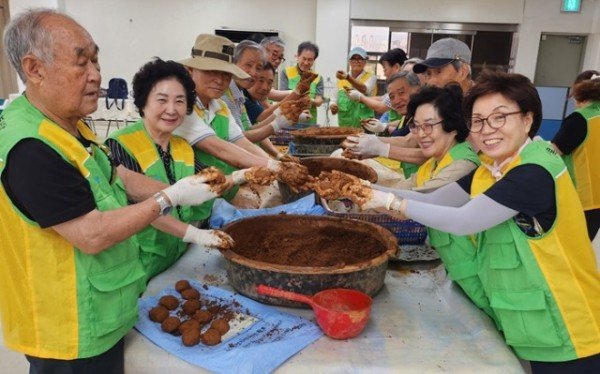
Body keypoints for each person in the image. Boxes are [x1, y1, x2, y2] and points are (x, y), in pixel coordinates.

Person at [0, 9, 229, 373]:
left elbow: (118, 177)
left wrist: (184, 191)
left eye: (96, 59)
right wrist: (168, 199)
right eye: (81, 63)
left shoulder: (69, 127)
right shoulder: (31, 148)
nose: (96, 75)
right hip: (70, 330)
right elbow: (91, 234)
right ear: (34, 69)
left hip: (103, 310)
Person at [362, 71, 600, 372]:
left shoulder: (534, 171)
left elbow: (464, 220)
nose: (487, 129)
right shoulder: (492, 168)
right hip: (535, 322)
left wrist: (393, 203)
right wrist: (364, 190)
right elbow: (437, 200)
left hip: (570, 327)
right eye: (478, 120)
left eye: (500, 117)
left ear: (527, 119)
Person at [106, 58, 233, 283]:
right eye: (162, 100)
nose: (171, 110)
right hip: (139, 263)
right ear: (143, 102)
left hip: (175, 257)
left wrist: (247, 175)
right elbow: (143, 209)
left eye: (180, 101)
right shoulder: (119, 145)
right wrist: (195, 235)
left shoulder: (182, 146)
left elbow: (210, 185)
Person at [174, 34, 284, 183]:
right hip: (188, 199)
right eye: (210, 71)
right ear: (191, 70)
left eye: (226, 74)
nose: (219, 80)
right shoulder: (181, 107)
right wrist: (277, 167)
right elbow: (220, 149)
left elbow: (241, 141)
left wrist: (276, 163)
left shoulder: (221, 106)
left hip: (217, 192)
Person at [345, 71, 425, 179]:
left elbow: (408, 142)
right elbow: (402, 131)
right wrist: (369, 149)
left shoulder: (425, 112)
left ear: (418, 89)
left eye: (401, 93)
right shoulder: (409, 114)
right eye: (392, 97)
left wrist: (375, 143)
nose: (396, 100)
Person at [551, 70, 600, 241]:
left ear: (579, 93)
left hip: (579, 199)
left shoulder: (580, 119)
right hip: (597, 201)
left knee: (567, 249)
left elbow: (553, 152)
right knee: (583, 247)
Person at [349, 48, 408, 115]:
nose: (384, 74)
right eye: (353, 59)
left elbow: (382, 107)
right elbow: (383, 98)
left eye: (385, 69)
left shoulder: (400, 85)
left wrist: (361, 97)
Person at [330, 47, 378, 127]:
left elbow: (364, 89)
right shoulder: (340, 80)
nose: (356, 62)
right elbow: (333, 99)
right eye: (353, 59)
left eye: (360, 59)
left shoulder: (371, 77)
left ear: (365, 61)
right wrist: (333, 106)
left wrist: (347, 77)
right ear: (349, 61)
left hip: (365, 127)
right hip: (345, 126)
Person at [280, 41, 324, 124]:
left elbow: (319, 100)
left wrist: (310, 101)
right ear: (298, 56)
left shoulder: (318, 77)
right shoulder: (286, 72)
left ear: (314, 60)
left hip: (309, 121)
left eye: (310, 60)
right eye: (304, 58)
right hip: (290, 120)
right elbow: (283, 98)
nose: (306, 63)